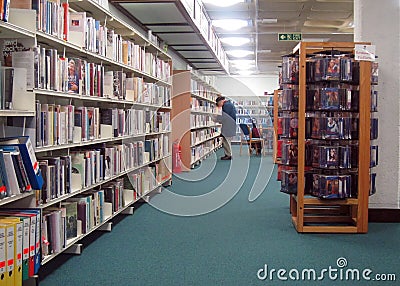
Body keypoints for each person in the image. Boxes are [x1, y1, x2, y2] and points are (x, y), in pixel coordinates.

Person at [215, 96, 236, 160]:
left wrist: (217, 119)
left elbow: (224, 116)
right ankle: (228, 154)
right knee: (226, 140)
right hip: (230, 125)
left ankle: (229, 155)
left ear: (221, 101)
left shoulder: (226, 106)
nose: (220, 106)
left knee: (226, 140)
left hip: (228, 126)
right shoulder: (229, 104)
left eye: (219, 104)